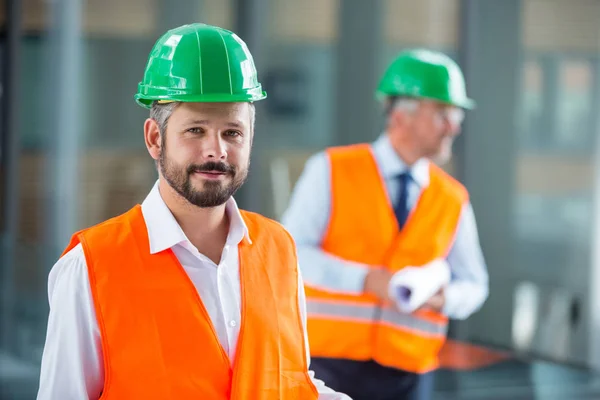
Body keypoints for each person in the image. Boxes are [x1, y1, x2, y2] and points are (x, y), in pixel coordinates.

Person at [37, 23, 350, 400]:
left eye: (232, 133)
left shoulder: (280, 249)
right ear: (155, 138)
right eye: (196, 130)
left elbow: (293, 382)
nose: (215, 150)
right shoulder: (92, 266)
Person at [281, 49, 490, 400]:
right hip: (326, 365)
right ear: (401, 114)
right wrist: (364, 280)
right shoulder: (331, 170)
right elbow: (291, 254)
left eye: (455, 115)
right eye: (443, 113)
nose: (454, 126)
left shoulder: (452, 198)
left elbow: (475, 285)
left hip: (407, 376)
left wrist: (444, 298)